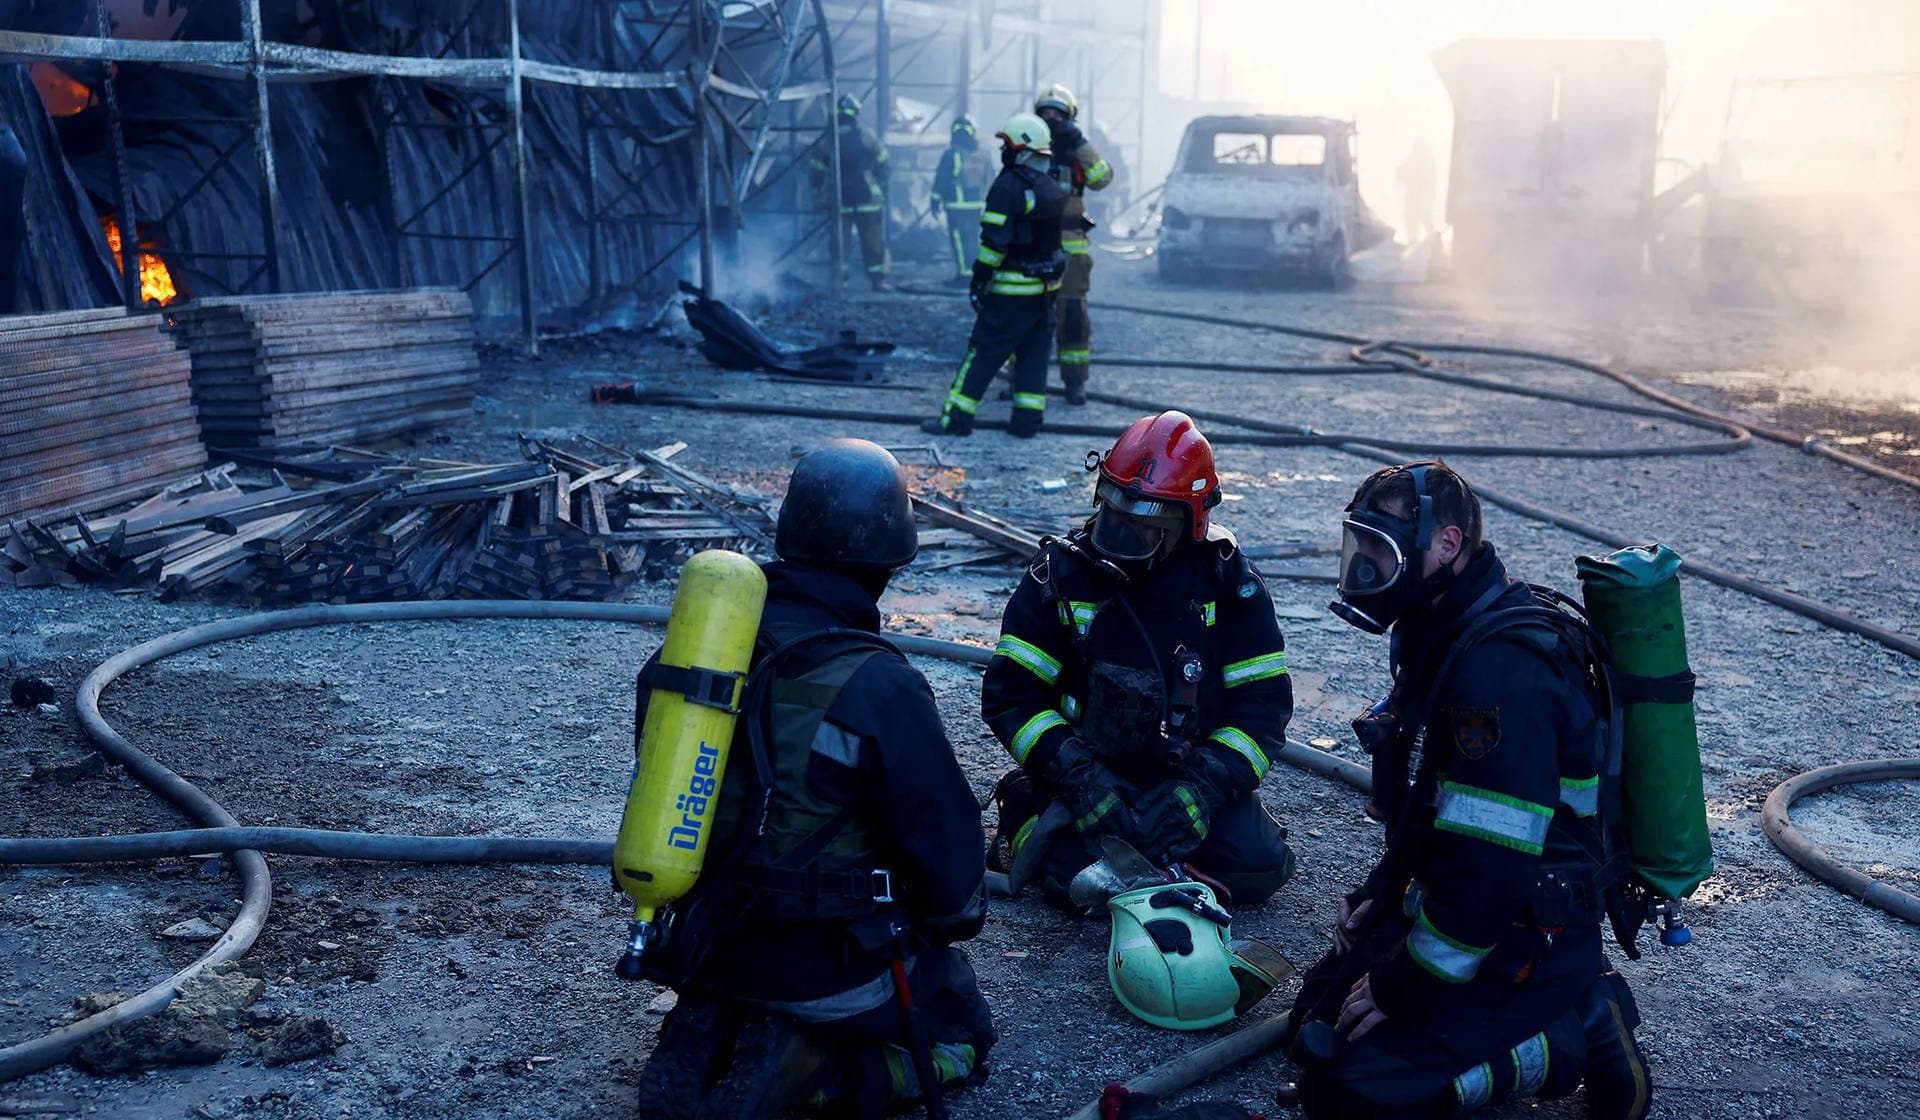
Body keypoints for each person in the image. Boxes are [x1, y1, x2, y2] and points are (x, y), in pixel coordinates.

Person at [633, 440, 994, 1119]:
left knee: (748, 965)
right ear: (891, 559)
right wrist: (949, 921)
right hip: (832, 967)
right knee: (964, 1033)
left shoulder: (693, 658)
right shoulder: (881, 683)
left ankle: (722, 1020)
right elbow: (948, 864)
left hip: (702, 943)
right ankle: (824, 1077)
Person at [1282, 461, 1651, 1119]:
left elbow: (1491, 869)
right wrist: (1377, 897)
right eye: (1359, 544)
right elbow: (1430, 803)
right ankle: (1540, 1012)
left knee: (1350, 1097)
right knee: (1313, 1024)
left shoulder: (1497, 676)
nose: (1365, 565)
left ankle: (1580, 1029)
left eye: (1381, 549)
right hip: (1474, 903)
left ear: (1446, 545)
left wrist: (1402, 985)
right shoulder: (1438, 629)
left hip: (1528, 929)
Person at [980, 411, 1297, 908]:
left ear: (1188, 522)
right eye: (1111, 517)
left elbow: (1262, 710)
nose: (1116, 539)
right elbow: (1012, 698)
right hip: (1084, 774)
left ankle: (1164, 843)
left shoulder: (1230, 587)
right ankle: (1023, 811)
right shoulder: (1060, 577)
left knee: (1258, 867)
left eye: (1139, 528)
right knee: (1077, 882)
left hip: (1186, 778)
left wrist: (1203, 790)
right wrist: (1077, 776)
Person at [921, 112, 1065, 439]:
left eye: (1008, 145)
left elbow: (993, 245)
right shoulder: (1052, 187)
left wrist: (979, 279)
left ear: (1023, 150)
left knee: (982, 353)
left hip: (1010, 291)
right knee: (1033, 356)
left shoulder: (1008, 185)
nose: (1004, 150)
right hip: (1045, 291)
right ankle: (1026, 423)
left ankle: (955, 420)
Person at [1034, 84, 1112, 406]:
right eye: (1046, 113)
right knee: (1028, 316)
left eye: (1059, 114)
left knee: (1073, 318)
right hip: (1033, 243)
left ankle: (1074, 382)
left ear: (1069, 118)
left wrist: (1079, 144)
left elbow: (1102, 178)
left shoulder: (1078, 152)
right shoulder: (1028, 147)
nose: (1052, 119)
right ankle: (1020, 381)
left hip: (1070, 247)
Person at [810, 94, 893, 291]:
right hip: (868, 197)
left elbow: (816, 170)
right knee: (873, 241)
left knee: (840, 242)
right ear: (857, 112)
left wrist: (818, 193)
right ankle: (878, 281)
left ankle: (840, 281)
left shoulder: (827, 139)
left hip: (839, 198)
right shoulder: (867, 135)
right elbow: (884, 163)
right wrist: (882, 189)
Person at [930, 115, 992, 284]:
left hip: (956, 205)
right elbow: (990, 179)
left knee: (958, 239)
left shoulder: (952, 154)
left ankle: (964, 275)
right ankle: (974, 273)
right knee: (972, 239)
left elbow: (941, 179)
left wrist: (935, 200)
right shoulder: (983, 154)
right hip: (976, 206)